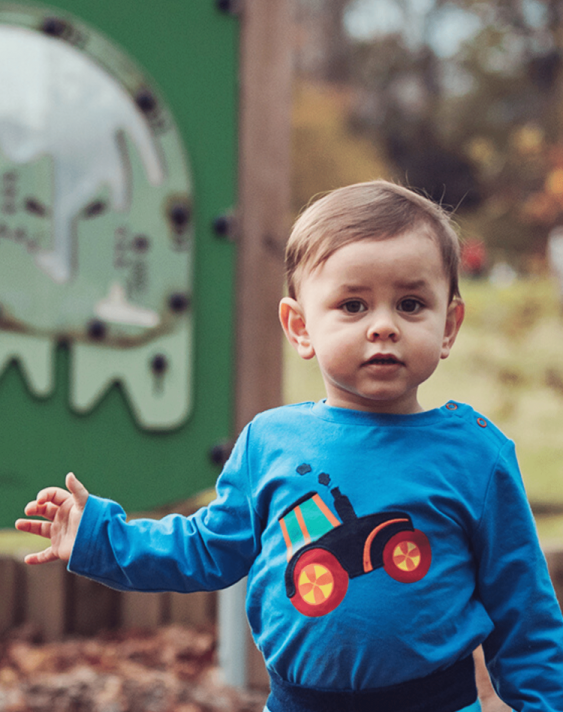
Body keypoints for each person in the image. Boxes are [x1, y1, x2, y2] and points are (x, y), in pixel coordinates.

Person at [16, 180, 563, 712]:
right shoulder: (269, 442)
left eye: (411, 304)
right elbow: (204, 547)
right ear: (300, 327)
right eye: (353, 306)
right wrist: (97, 537)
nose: (383, 327)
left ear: (448, 325)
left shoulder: (475, 454)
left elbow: (524, 605)